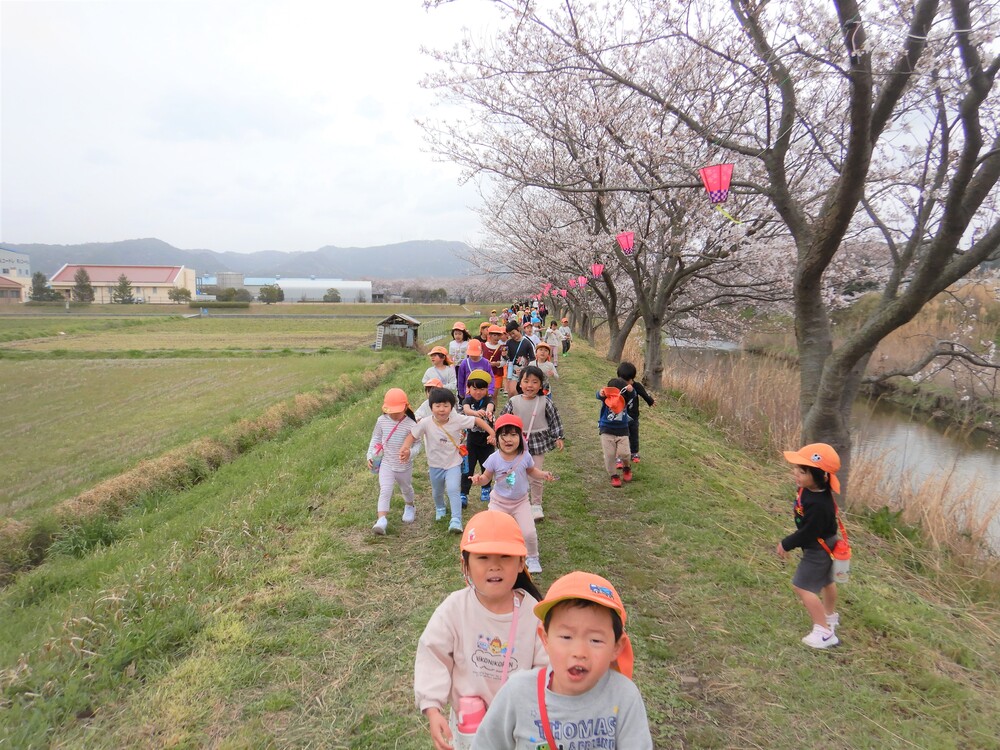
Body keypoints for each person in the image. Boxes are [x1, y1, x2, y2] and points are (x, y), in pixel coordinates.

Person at [472, 571, 653, 749]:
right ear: (545, 639)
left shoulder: (624, 697)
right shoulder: (518, 693)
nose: (579, 652)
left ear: (616, 647)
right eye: (566, 637)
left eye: (595, 640)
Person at [415, 511, 548, 750]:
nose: (494, 566)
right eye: (483, 557)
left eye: (505, 557)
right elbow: (433, 654)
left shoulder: (534, 614)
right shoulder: (455, 609)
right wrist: (432, 708)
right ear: (465, 564)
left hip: (519, 726)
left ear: (521, 563)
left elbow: (546, 669)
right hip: (469, 728)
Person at [401, 388, 496, 533]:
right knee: (437, 491)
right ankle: (440, 508)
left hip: (453, 464)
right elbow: (412, 436)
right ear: (431, 407)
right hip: (435, 465)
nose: (442, 409)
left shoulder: (457, 419)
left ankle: (456, 520)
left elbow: (476, 420)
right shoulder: (425, 423)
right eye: (437, 406)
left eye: (446, 406)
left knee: (453, 490)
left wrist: (492, 432)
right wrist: (406, 448)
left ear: (451, 407)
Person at [470, 414, 555, 573]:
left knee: (528, 532)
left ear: (520, 437)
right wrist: (478, 479)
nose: (508, 439)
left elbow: (532, 471)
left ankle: (532, 557)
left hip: (520, 502)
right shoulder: (493, 458)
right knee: (494, 531)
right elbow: (486, 477)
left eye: (513, 435)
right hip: (498, 502)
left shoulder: (525, 457)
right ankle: (496, 556)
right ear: (497, 438)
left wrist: (543, 474)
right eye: (504, 435)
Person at [776, 444, 842, 649]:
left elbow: (808, 533)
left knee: (802, 586)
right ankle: (829, 617)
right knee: (826, 581)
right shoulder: (810, 489)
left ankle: (823, 632)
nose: (795, 473)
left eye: (802, 471)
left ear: (819, 475)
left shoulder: (819, 505)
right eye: (796, 468)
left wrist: (786, 544)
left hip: (818, 548)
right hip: (825, 543)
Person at [502, 366, 564, 521]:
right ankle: (513, 500)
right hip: (517, 443)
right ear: (520, 383)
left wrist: (559, 437)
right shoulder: (513, 401)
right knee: (513, 472)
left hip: (537, 443)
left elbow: (554, 419)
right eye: (526, 381)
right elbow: (503, 419)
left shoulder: (545, 402)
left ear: (541, 384)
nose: (530, 385)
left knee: (536, 473)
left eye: (535, 382)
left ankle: (536, 505)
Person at [366, 388, 421, 534]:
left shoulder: (411, 424)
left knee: (406, 488)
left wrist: (410, 453)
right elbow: (375, 439)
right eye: (391, 411)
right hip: (386, 463)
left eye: (398, 411)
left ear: (405, 407)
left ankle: (410, 506)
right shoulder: (381, 421)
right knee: (385, 489)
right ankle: (381, 520)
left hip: (404, 466)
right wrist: (370, 456)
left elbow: (418, 444)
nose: (394, 414)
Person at [459, 372, 497, 505]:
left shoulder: (488, 400)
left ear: (487, 389)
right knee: (467, 468)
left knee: (487, 466)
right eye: (474, 388)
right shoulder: (467, 400)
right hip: (471, 442)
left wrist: (488, 411)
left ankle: (486, 488)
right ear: (469, 389)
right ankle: (463, 493)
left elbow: (491, 406)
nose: (478, 392)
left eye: (482, 389)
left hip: (487, 441)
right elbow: (466, 410)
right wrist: (476, 413)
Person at [616, 362, 655, 464]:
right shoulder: (618, 386)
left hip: (633, 417)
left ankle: (634, 453)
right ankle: (618, 456)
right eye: (622, 380)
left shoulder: (637, 386)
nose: (624, 383)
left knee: (634, 435)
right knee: (620, 437)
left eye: (626, 381)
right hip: (620, 417)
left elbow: (644, 394)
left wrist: (650, 401)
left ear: (632, 378)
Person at [598, 378, 633, 487]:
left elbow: (632, 395)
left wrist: (631, 390)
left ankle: (626, 467)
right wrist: (600, 392)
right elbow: (598, 395)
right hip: (606, 430)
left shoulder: (625, 400)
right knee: (609, 455)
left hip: (622, 430)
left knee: (625, 453)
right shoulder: (606, 399)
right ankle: (614, 475)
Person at [504, 321, 535, 398]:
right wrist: (504, 356)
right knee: (512, 392)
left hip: (525, 371)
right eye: (510, 334)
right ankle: (512, 408)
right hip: (513, 371)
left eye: (513, 333)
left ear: (518, 329)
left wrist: (525, 369)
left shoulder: (527, 343)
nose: (512, 336)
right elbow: (509, 358)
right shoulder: (509, 342)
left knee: (522, 393)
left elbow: (532, 358)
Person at [484, 325, 507, 405]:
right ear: (489, 335)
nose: (496, 337)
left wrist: (496, 364)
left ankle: (492, 412)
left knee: (494, 395)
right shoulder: (483, 346)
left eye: (498, 335)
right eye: (494, 335)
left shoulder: (502, 347)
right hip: (485, 374)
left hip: (497, 374)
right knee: (485, 394)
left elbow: (504, 361)